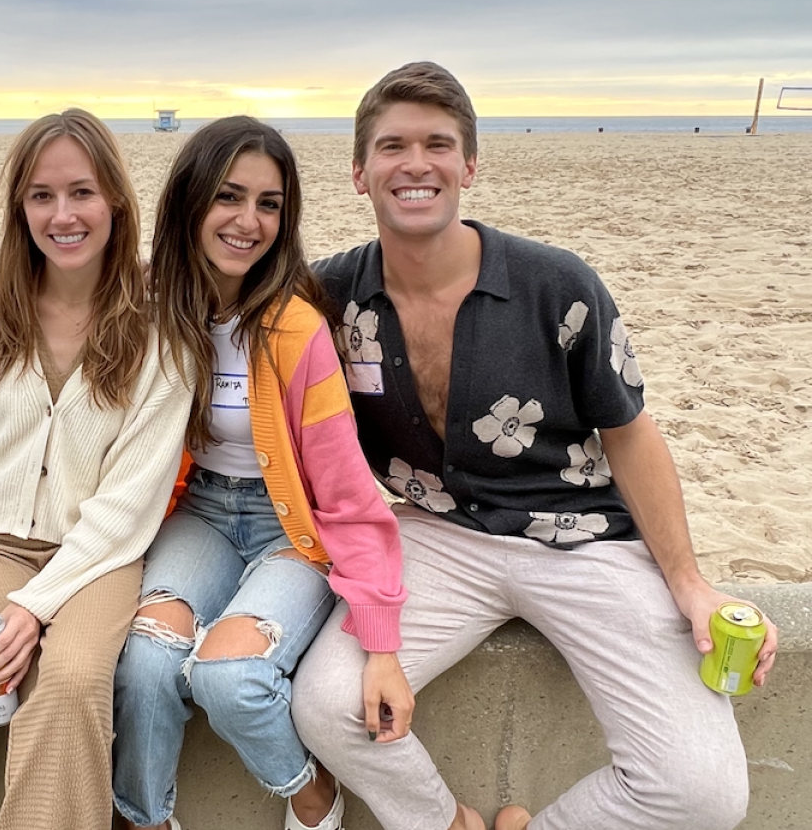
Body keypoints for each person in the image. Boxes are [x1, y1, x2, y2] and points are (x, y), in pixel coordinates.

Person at [290, 61, 780, 830]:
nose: (415, 163)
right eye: (391, 146)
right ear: (359, 171)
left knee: (702, 792)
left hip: (583, 536)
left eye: (438, 144)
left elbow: (631, 433)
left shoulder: (558, 284)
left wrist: (690, 584)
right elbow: (220, 318)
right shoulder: (326, 297)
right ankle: (447, 822)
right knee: (325, 707)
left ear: (470, 165)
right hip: (436, 533)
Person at [111, 116, 411, 830]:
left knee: (231, 677)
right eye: (229, 196)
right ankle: (145, 820)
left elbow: (344, 487)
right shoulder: (152, 308)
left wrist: (381, 641)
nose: (249, 221)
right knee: (146, 667)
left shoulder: (296, 328)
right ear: (190, 201)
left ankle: (312, 796)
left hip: (288, 525)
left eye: (269, 203)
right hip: (200, 514)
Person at [0, 107, 193, 830]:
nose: (63, 214)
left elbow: (129, 501)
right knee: (8, 683)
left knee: (75, 676)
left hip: (97, 554)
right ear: (21, 207)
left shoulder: (161, 326)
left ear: (114, 197)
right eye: (42, 196)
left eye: (81, 192)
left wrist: (35, 603)